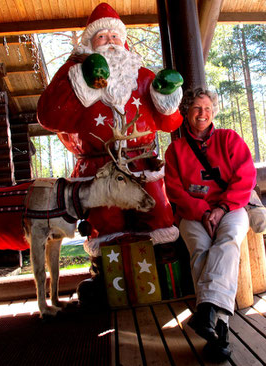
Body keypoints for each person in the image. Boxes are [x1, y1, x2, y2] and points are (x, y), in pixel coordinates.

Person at [37, 3, 184, 256]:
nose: (110, 42)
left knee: (157, 216)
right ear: (91, 44)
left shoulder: (142, 76)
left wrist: (166, 97)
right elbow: (48, 116)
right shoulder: (72, 74)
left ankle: (163, 272)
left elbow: (170, 123)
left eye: (115, 36)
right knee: (107, 226)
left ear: (123, 41)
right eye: (102, 37)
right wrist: (83, 81)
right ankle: (110, 280)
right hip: (99, 170)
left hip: (142, 165)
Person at [164, 88, 257, 361]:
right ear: (186, 113)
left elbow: (245, 177)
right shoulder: (176, 150)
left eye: (206, 108)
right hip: (193, 213)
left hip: (230, 207)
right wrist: (204, 212)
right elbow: (175, 191)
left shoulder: (230, 139)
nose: (202, 114)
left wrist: (220, 209)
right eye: (196, 109)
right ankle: (221, 329)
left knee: (228, 240)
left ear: (213, 112)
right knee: (201, 248)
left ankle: (207, 312)